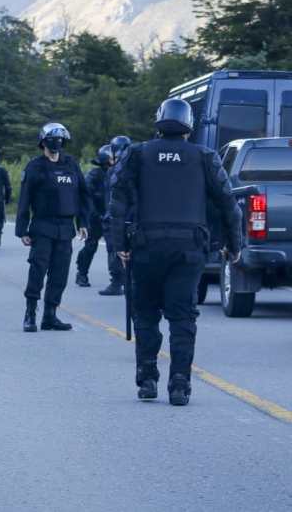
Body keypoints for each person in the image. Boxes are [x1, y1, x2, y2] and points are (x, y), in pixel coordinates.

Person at [109, 99, 242, 406]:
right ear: (189, 126)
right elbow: (228, 205)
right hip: (188, 249)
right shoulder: (204, 156)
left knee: (145, 314)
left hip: (146, 246)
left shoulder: (138, 153)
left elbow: (117, 201)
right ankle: (180, 384)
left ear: (159, 122)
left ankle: (147, 379)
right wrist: (234, 245)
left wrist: (120, 245)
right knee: (182, 317)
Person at [16, 123, 90, 332]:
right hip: (42, 226)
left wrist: (83, 222)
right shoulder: (35, 166)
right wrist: (22, 230)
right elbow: (24, 199)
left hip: (66, 228)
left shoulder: (71, 164)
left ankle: (50, 316)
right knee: (38, 270)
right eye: (52, 139)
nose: (57, 142)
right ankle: (30, 314)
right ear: (43, 142)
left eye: (60, 139)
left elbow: (83, 195)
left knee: (60, 274)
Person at [75, 144, 124, 295]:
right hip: (95, 216)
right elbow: (86, 195)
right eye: (111, 158)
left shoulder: (120, 172)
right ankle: (81, 273)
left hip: (111, 216)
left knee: (114, 247)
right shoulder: (95, 174)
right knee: (91, 245)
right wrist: (94, 213)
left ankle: (117, 280)